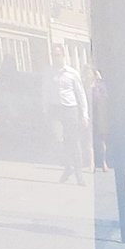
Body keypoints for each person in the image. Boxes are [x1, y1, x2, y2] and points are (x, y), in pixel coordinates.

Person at [46, 40, 89, 181]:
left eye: (58, 55)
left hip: (70, 109)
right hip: (55, 109)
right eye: (53, 55)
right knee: (56, 139)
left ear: (63, 55)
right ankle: (67, 165)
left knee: (73, 141)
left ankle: (79, 173)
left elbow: (81, 93)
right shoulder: (49, 72)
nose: (56, 58)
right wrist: (44, 109)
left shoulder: (72, 73)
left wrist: (84, 114)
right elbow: (44, 91)